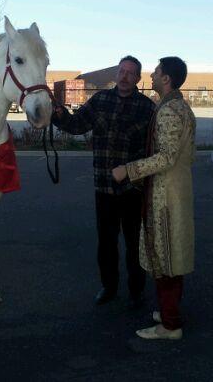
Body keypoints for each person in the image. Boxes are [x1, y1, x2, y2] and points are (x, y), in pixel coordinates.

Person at [52, 56, 156, 307]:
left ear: (138, 79)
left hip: (133, 189)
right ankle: (108, 287)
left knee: (134, 243)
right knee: (106, 243)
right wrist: (57, 114)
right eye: (121, 71)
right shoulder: (100, 101)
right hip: (104, 187)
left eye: (130, 73)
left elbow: (154, 149)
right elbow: (76, 125)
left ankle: (136, 291)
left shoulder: (147, 108)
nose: (124, 76)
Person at [112, 56, 195, 340]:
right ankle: (169, 312)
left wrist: (129, 170)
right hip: (170, 191)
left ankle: (170, 326)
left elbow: (168, 157)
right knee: (170, 255)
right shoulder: (173, 105)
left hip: (167, 196)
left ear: (166, 79)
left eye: (156, 71)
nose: (151, 75)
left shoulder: (171, 111)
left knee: (165, 258)